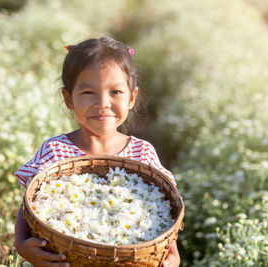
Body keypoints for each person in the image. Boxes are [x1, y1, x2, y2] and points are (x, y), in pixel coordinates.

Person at [14, 37, 180, 267]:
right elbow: (29, 204)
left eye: (115, 92)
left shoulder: (143, 153)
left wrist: (172, 255)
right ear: (68, 99)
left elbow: (165, 213)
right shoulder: (55, 151)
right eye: (89, 92)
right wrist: (23, 245)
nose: (103, 103)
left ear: (132, 98)